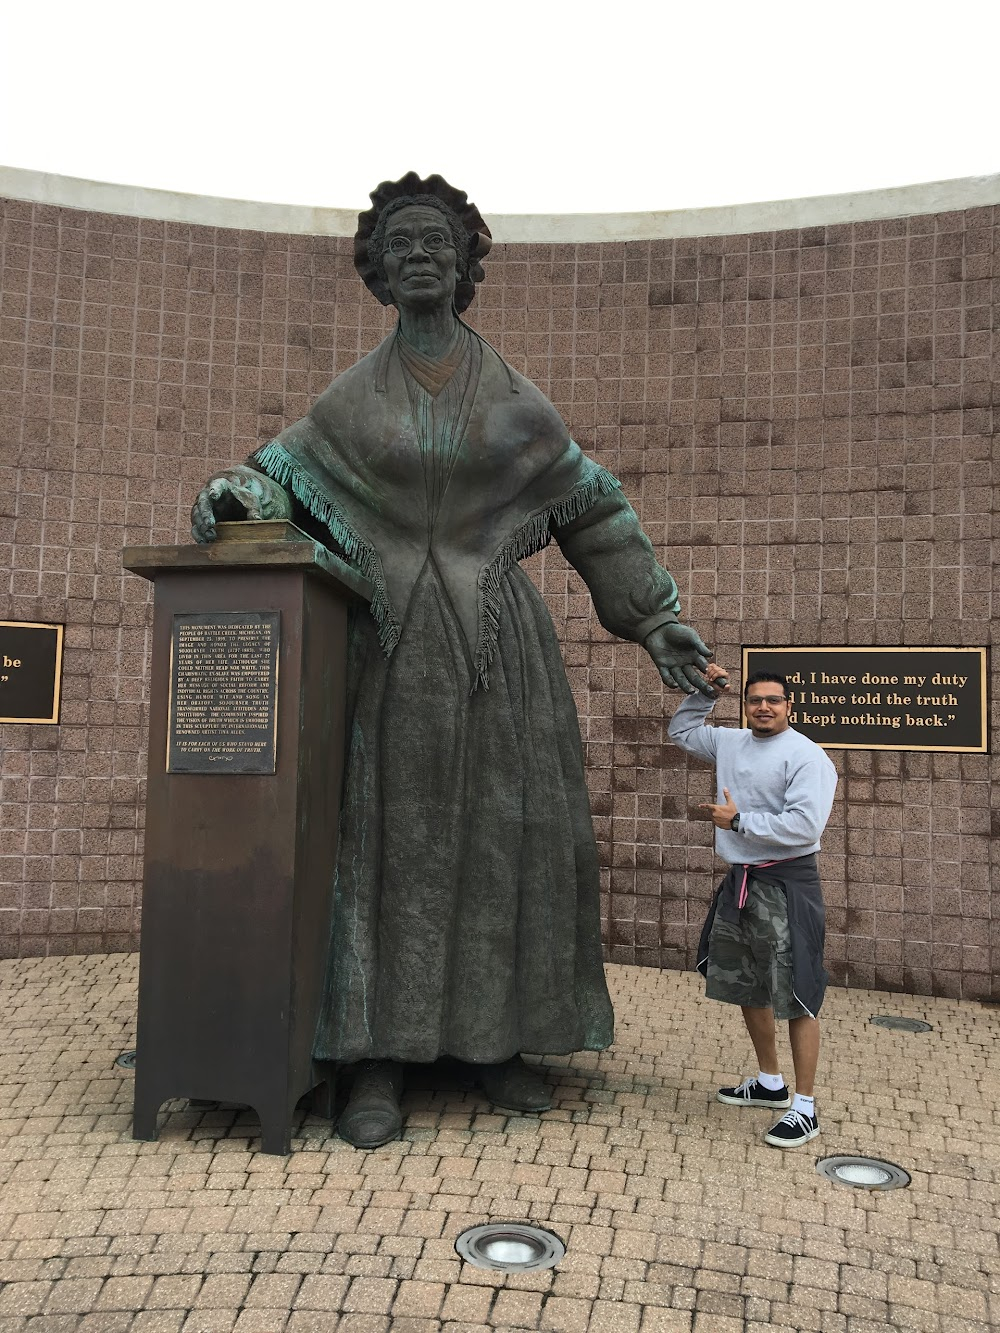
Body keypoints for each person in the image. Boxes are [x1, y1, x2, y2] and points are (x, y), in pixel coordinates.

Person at [190, 172, 715, 1149]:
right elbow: (273, 480)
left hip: (493, 655)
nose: (420, 254)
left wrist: (652, 619)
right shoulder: (351, 400)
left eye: (438, 241)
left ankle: (496, 1041)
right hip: (382, 655)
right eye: (402, 245)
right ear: (378, 273)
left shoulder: (512, 396)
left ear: (467, 262)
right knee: (381, 845)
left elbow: (592, 504)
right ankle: (374, 1057)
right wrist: (231, 490)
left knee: (500, 840)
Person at [668, 664, 838, 1148]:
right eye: (755, 699)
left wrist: (739, 821)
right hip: (740, 882)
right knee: (747, 985)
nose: (764, 706)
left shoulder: (807, 757)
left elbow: (806, 827)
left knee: (798, 992)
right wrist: (706, 690)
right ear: (745, 704)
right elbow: (681, 731)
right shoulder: (730, 742)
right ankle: (769, 1083)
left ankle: (804, 1107)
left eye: (774, 700)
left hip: (786, 886)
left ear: (790, 706)